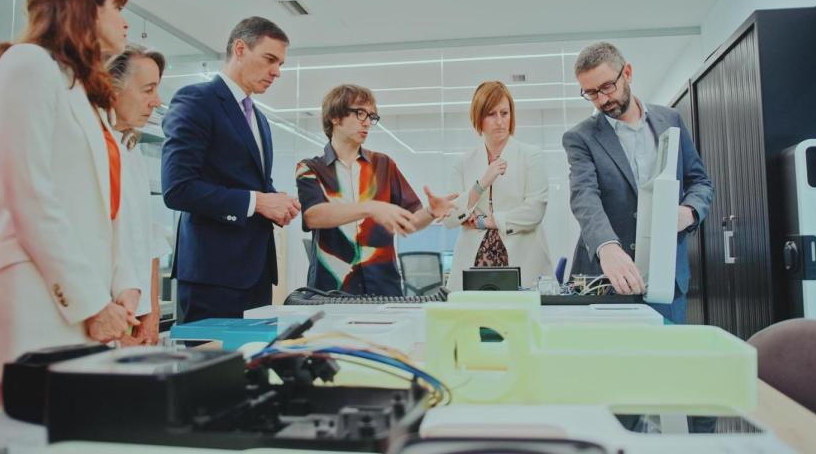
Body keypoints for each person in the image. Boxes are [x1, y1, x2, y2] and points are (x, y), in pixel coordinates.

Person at [0, 0, 142, 408]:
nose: (125, 23)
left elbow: (107, 207)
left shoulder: (85, 93)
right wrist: (90, 302)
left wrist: (124, 284)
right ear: (84, 7)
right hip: (34, 298)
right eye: (116, 8)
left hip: (83, 302)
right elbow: (29, 196)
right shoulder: (26, 64)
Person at [563, 41, 713, 323]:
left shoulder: (671, 120)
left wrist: (689, 212)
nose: (602, 100)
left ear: (627, 73)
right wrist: (607, 247)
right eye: (591, 93)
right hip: (604, 279)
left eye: (607, 87)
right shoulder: (581, 137)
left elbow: (700, 182)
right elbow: (584, 196)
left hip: (666, 275)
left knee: (665, 361)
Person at [162, 17, 300, 322]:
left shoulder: (260, 118)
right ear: (240, 49)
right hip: (212, 276)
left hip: (256, 273)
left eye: (280, 63)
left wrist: (276, 200)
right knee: (213, 369)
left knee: (254, 367)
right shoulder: (196, 100)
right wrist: (259, 202)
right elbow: (178, 188)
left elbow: (247, 179)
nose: (277, 71)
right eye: (270, 59)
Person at [296, 84, 457, 295]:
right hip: (332, 291)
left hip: (384, 287)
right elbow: (313, 216)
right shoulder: (310, 168)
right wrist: (371, 208)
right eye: (360, 113)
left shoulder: (383, 165)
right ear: (335, 117)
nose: (367, 123)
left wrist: (430, 212)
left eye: (371, 116)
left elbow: (409, 222)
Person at [444, 81, 552, 291]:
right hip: (473, 263)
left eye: (505, 113)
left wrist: (488, 221)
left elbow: (534, 211)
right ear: (479, 118)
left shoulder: (531, 156)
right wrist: (482, 183)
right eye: (491, 114)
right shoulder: (463, 163)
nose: (500, 121)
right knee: (471, 322)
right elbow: (449, 218)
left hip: (523, 259)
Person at [107, 44, 170, 345]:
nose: (156, 102)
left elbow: (148, 239)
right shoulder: (91, 148)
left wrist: (153, 310)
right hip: (105, 314)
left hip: (135, 313)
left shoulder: (130, 151)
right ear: (110, 88)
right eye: (148, 90)